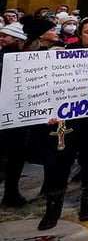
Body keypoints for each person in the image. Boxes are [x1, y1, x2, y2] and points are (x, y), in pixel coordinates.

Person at [38, 17, 88, 230]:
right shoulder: (64, 53)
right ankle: (53, 205)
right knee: (58, 163)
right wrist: (49, 110)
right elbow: (50, 85)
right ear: (81, 32)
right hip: (65, 120)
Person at [0, 22, 29, 207]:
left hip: (18, 115)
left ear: (17, 39)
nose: (1, 39)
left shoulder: (26, 58)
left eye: (5, 36)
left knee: (16, 155)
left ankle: (11, 191)